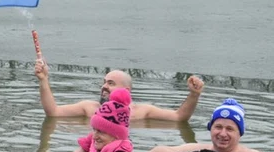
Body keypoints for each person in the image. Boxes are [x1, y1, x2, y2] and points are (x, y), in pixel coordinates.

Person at [147, 99, 274, 152]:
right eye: (218, 127)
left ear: (239, 133)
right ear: (210, 128)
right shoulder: (197, 151)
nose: (223, 134)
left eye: (230, 129)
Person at [36, 59, 204, 121]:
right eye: (104, 82)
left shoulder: (142, 112)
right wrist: (44, 80)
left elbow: (179, 117)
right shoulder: (90, 108)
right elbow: (53, 112)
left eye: (110, 83)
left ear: (127, 91)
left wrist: (193, 95)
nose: (104, 87)